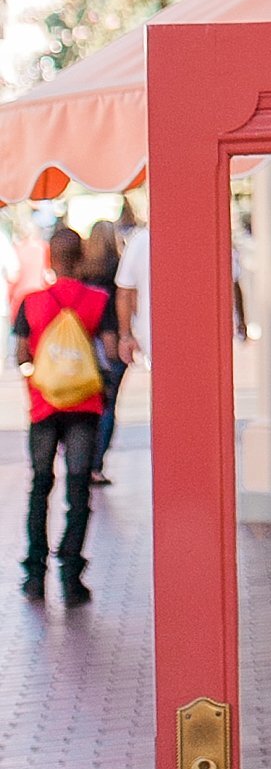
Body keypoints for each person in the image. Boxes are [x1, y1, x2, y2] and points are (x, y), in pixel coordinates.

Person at [14, 221, 113, 605]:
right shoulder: (98, 300)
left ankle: (34, 576)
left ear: (50, 258)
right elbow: (107, 347)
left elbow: (22, 354)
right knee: (77, 488)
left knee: (40, 487)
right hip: (84, 405)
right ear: (83, 256)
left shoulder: (31, 303)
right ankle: (71, 577)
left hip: (44, 405)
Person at [81, 221, 126, 487]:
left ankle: (83, 460)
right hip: (112, 343)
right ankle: (96, 465)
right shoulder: (116, 269)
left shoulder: (84, 271)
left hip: (86, 345)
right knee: (109, 406)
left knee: (90, 404)